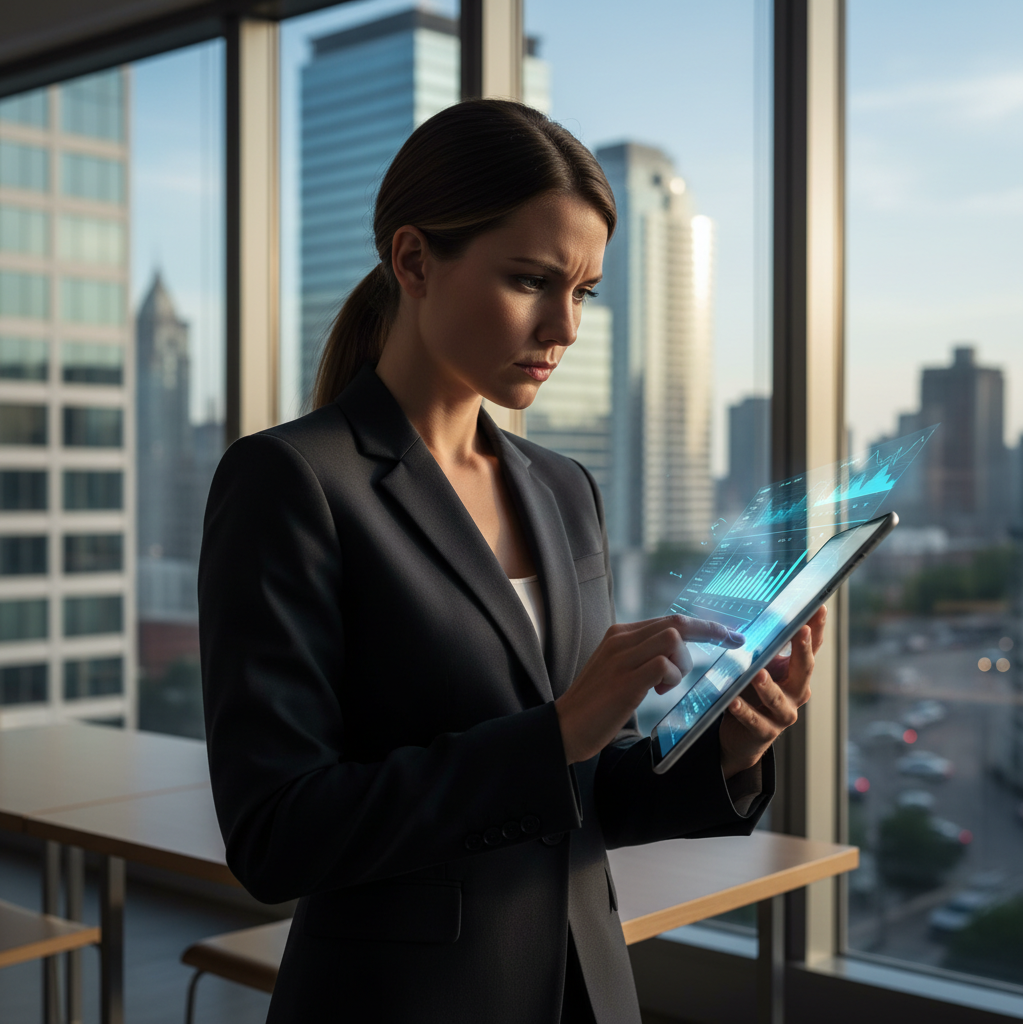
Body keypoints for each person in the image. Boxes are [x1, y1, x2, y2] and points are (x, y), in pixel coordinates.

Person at [198, 99, 826, 1024]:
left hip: (586, 995)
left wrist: (729, 748)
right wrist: (554, 734)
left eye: (585, 293)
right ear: (414, 261)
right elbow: (278, 836)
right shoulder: (292, 481)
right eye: (531, 280)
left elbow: (581, 789)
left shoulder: (564, 488)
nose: (564, 328)